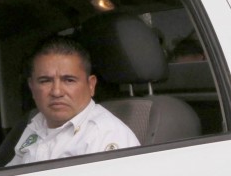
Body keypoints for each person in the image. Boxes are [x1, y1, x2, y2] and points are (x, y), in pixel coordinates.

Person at [7, 36, 139, 166]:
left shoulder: (105, 135)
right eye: (45, 81)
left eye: (69, 80)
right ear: (32, 87)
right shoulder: (36, 125)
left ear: (91, 85)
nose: (56, 92)